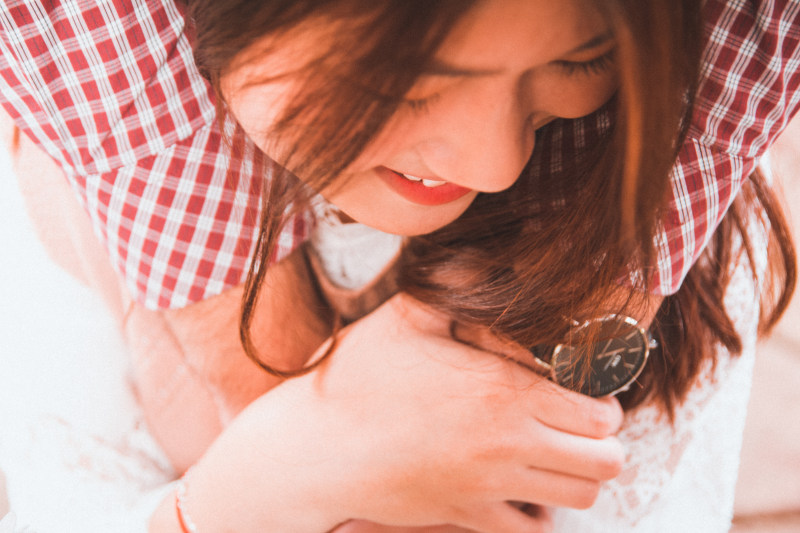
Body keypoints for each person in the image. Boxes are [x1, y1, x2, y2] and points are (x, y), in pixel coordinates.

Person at [0, 0, 796, 532]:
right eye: (411, 84)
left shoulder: (649, 217)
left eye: (581, 61)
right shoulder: (78, 195)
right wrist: (288, 463)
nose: (493, 162)